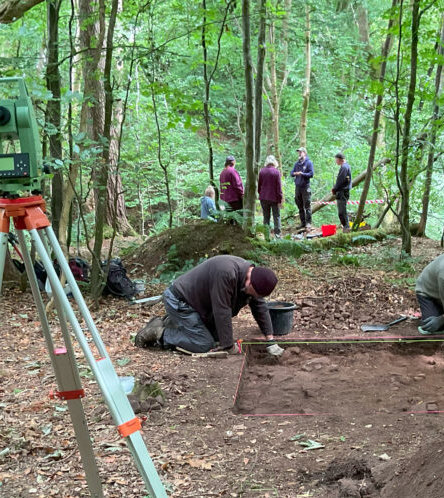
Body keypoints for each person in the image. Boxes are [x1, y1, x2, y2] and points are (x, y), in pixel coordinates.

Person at [134, 255, 284, 357]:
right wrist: (228, 346)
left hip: (198, 306)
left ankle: (170, 322)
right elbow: (222, 310)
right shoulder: (226, 273)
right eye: (254, 293)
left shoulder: (252, 278)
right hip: (180, 301)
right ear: (250, 282)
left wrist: (270, 340)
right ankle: (159, 333)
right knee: (204, 344)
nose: (254, 298)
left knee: (217, 338)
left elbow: (260, 308)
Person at [258, 155, 284, 235]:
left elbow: (259, 185)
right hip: (274, 198)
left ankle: (266, 235)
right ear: (274, 162)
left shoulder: (262, 171)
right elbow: (279, 187)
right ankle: (277, 234)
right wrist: (280, 199)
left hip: (263, 197)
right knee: (276, 216)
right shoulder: (276, 172)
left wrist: (260, 194)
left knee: (266, 216)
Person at [290, 147, 314, 230]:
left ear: (305, 153)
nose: (299, 154)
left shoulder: (309, 163)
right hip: (298, 187)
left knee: (307, 205)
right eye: (298, 152)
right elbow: (291, 173)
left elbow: (311, 174)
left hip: (305, 187)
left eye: (301, 152)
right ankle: (303, 223)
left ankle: (308, 223)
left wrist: (302, 174)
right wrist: (295, 173)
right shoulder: (297, 164)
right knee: (299, 205)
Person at [331, 152, 352, 230]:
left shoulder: (344, 167)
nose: (336, 161)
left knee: (342, 211)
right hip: (343, 191)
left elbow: (340, 180)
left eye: (336, 159)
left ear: (340, 159)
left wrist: (335, 189)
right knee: (342, 210)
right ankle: (345, 226)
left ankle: (346, 227)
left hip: (342, 191)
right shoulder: (346, 166)